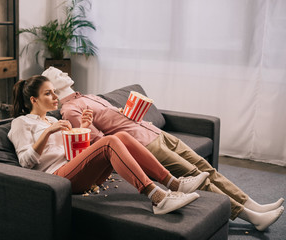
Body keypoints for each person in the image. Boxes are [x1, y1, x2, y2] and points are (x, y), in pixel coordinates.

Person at [42, 66, 284, 231]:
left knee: (205, 168)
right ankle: (249, 216)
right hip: (144, 144)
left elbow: (114, 121)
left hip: (154, 132)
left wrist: (127, 112)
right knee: (199, 179)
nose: (66, 74)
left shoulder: (89, 96)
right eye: (60, 75)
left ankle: (252, 204)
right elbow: (98, 143)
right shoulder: (70, 111)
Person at [8, 75, 211, 215]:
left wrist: (85, 128)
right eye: (48, 93)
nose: (55, 97)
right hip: (56, 179)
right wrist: (46, 134)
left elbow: (75, 154)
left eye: (54, 92)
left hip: (76, 172)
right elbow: (26, 162)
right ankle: (157, 197)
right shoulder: (21, 123)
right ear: (33, 100)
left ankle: (173, 184)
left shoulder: (52, 121)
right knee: (110, 141)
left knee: (121, 136)